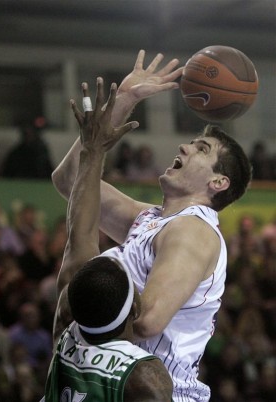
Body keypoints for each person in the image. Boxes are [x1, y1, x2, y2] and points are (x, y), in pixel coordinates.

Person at [52, 50, 252, 402]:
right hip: (113, 382)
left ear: (218, 183)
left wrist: (88, 293)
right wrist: (125, 99)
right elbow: (71, 181)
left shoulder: (193, 231)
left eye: (200, 149)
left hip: (158, 392)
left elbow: (148, 322)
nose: (184, 147)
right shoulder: (150, 219)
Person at [42, 79, 173, 402]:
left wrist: (92, 148)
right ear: (135, 310)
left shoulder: (66, 333)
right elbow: (81, 238)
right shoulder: (145, 379)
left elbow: (81, 233)